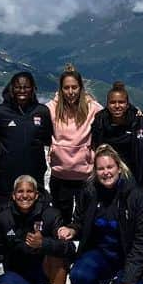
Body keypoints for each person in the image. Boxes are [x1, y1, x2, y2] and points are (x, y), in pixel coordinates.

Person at [59, 144, 143, 284]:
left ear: (119, 168)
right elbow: (80, 221)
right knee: (78, 275)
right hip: (102, 255)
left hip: (128, 257)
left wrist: (128, 281)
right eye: (101, 169)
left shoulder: (136, 196)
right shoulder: (90, 192)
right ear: (95, 171)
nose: (106, 173)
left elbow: (142, 242)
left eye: (110, 167)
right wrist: (72, 230)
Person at [46, 64, 102, 225]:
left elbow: (112, 114)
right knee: (60, 223)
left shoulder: (93, 109)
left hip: (85, 176)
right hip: (60, 176)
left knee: (86, 222)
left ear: (81, 88)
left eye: (74, 87)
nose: (70, 92)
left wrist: (136, 112)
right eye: (66, 88)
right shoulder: (51, 109)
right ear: (61, 89)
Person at [0, 71, 53, 204]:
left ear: (33, 89)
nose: (22, 90)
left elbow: (47, 138)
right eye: (18, 87)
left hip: (34, 176)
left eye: (26, 87)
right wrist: (4, 154)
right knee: (6, 218)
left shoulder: (42, 112)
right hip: (6, 179)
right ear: (11, 88)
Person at [90, 81, 143, 189]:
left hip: (135, 176)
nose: (117, 106)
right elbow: (95, 145)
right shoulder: (100, 122)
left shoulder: (138, 122)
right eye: (113, 102)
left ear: (127, 104)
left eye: (121, 102)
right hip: (108, 176)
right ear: (107, 104)